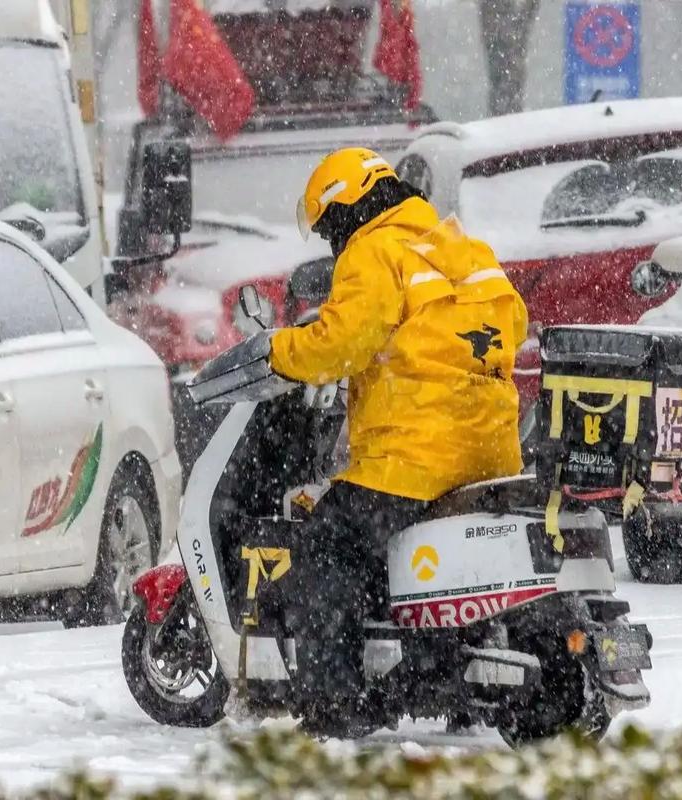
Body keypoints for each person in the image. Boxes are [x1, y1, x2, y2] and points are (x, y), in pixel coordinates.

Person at [269, 147, 528, 736]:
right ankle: (448, 676)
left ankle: (333, 703)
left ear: (346, 205)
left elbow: (341, 343)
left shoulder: (373, 251)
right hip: (490, 454)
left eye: (329, 226)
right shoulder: (461, 246)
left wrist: (277, 352)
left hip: (414, 456)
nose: (332, 241)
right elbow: (511, 323)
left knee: (326, 551)